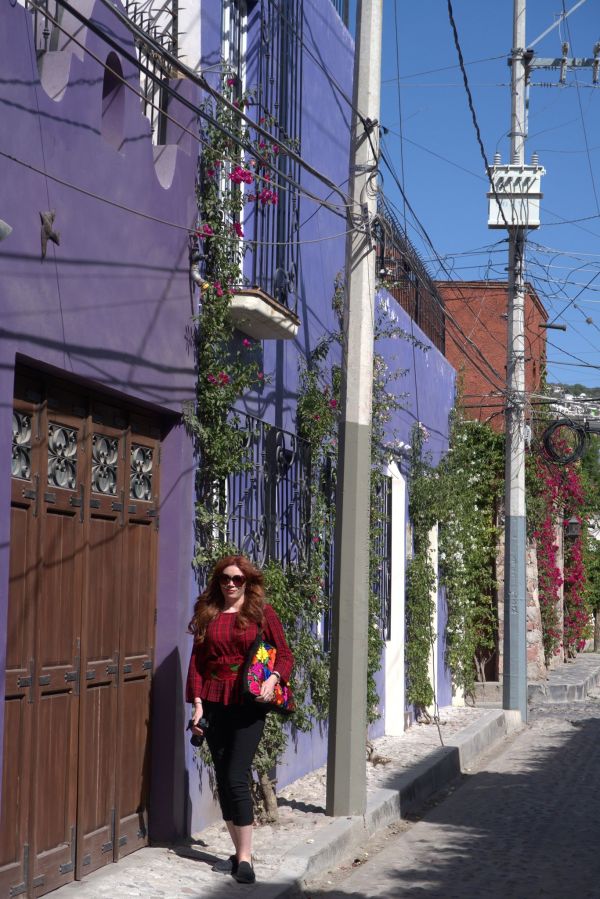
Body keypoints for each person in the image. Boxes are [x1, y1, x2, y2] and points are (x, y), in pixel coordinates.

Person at [186, 554, 294, 885]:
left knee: (236, 775)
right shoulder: (208, 613)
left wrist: (272, 679)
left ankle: (245, 858)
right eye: (225, 578)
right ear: (218, 581)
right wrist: (198, 704)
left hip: (248, 700)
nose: (230, 584)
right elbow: (197, 662)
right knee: (222, 776)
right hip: (214, 700)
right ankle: (236, 852)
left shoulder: (262, 613)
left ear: (248, 582)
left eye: (237, 579)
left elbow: (285, 655)